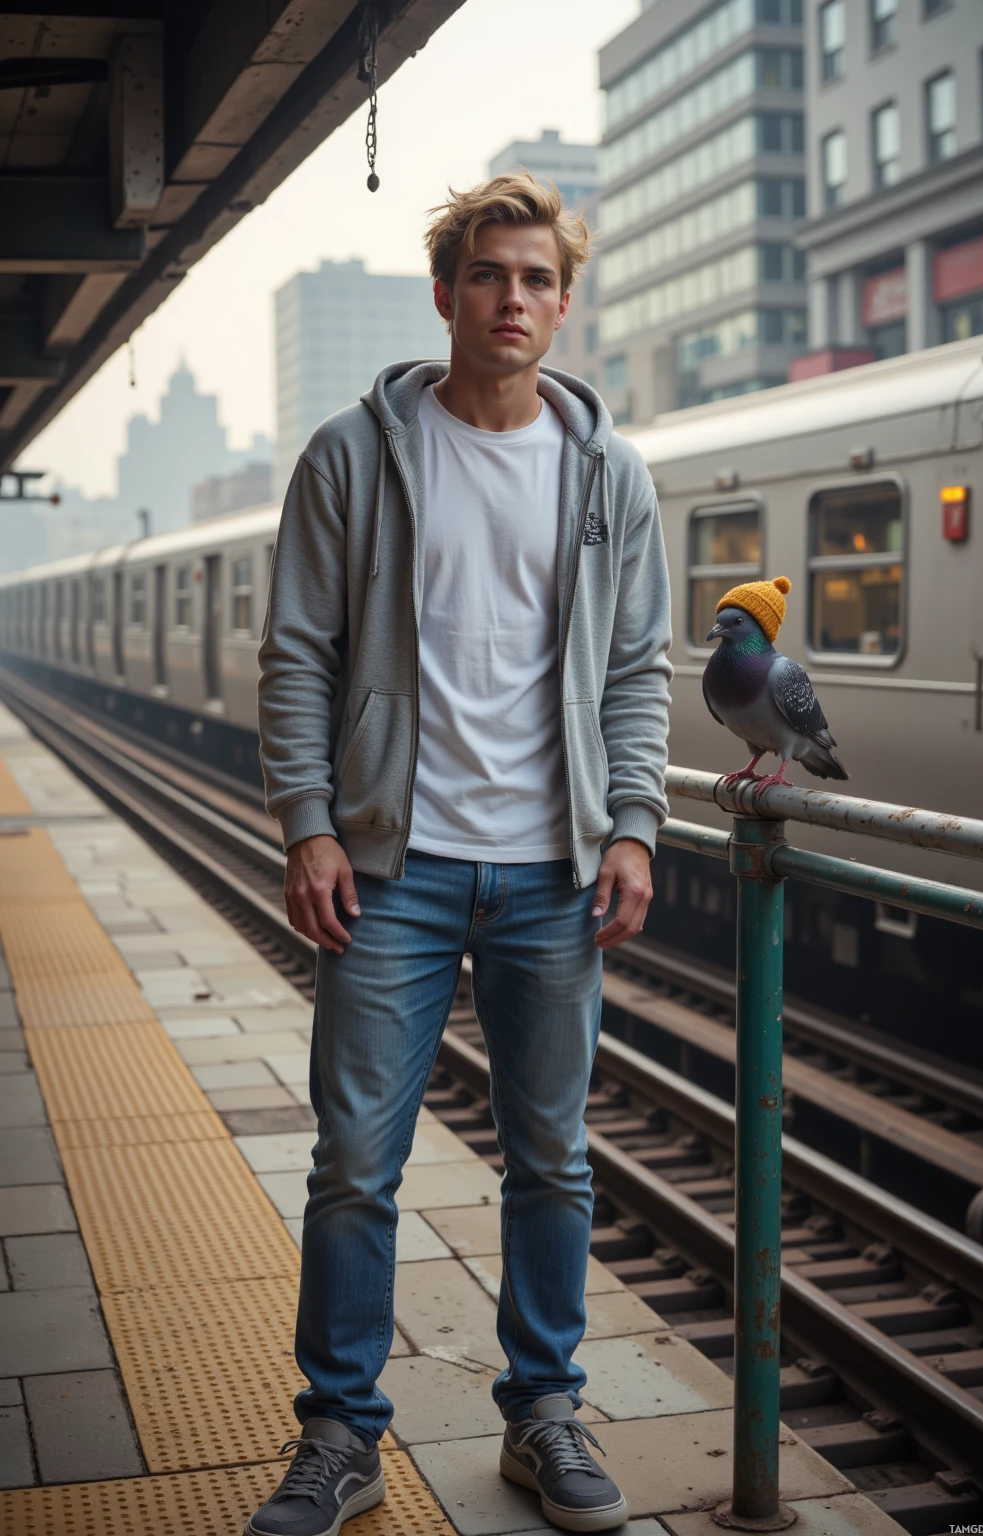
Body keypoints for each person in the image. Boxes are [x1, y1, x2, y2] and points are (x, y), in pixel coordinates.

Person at [246, 173, 672, 1536]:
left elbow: (637, 669)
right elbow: (298, 655)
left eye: (538, 278)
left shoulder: (609, 473)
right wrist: (311, 824)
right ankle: (340, 1435)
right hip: (395, 870)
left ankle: (544, 1414)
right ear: (445, 294)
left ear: (565, 301)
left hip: (552, 874)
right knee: (354, 1165)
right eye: (489, 274)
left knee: (553, 1162)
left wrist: (634, 824)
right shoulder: (353, 455)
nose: (513, 298)